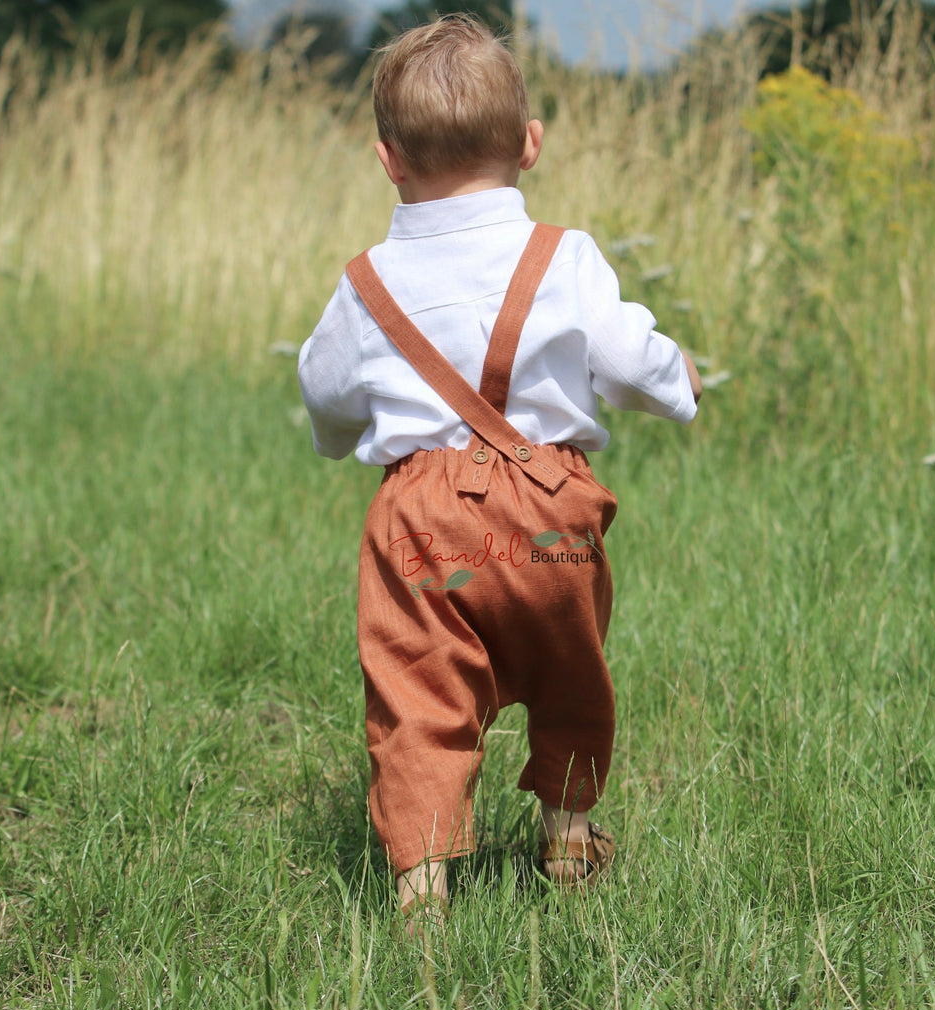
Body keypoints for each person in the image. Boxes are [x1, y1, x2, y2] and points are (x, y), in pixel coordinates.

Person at [297, 13, 702, 930]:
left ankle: (422, 892)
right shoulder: (566, 257)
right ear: (530, 144)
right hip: (550, 513)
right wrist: (681, 385)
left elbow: (323, 389)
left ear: (387, 159)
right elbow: (632, 363)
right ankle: (566, 841)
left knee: (419, 695)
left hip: (419, 525)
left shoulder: (367, 283)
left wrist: (335, 440)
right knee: (571, 674)